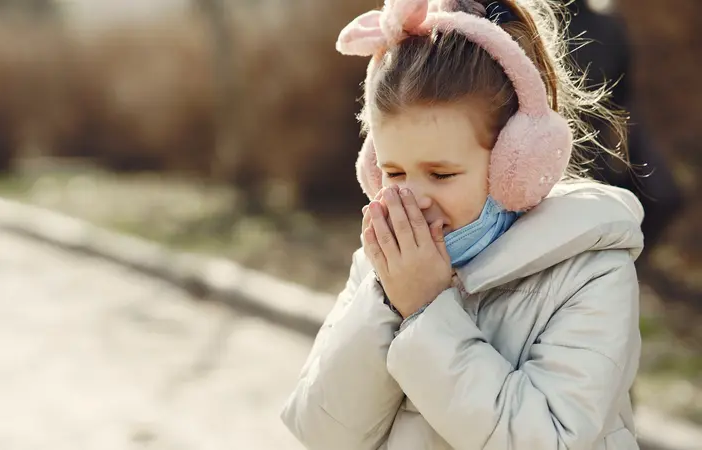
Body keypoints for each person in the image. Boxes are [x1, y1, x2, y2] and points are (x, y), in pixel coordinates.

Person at [280, 0, 643, 449]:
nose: (412, 198)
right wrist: (387, 303)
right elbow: (322, 431)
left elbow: (549, 440)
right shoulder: (383, 266)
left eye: (442, 174)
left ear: (515, 163)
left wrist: (426, 309)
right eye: (394, 173)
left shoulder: (590, 270)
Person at [564, 0, 685, 265]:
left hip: (595, 157)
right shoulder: (519, 16)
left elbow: (623, 100)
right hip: (546, 160)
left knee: (662, 195)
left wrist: (636, 160)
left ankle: (616, 269)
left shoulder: (608, 27)